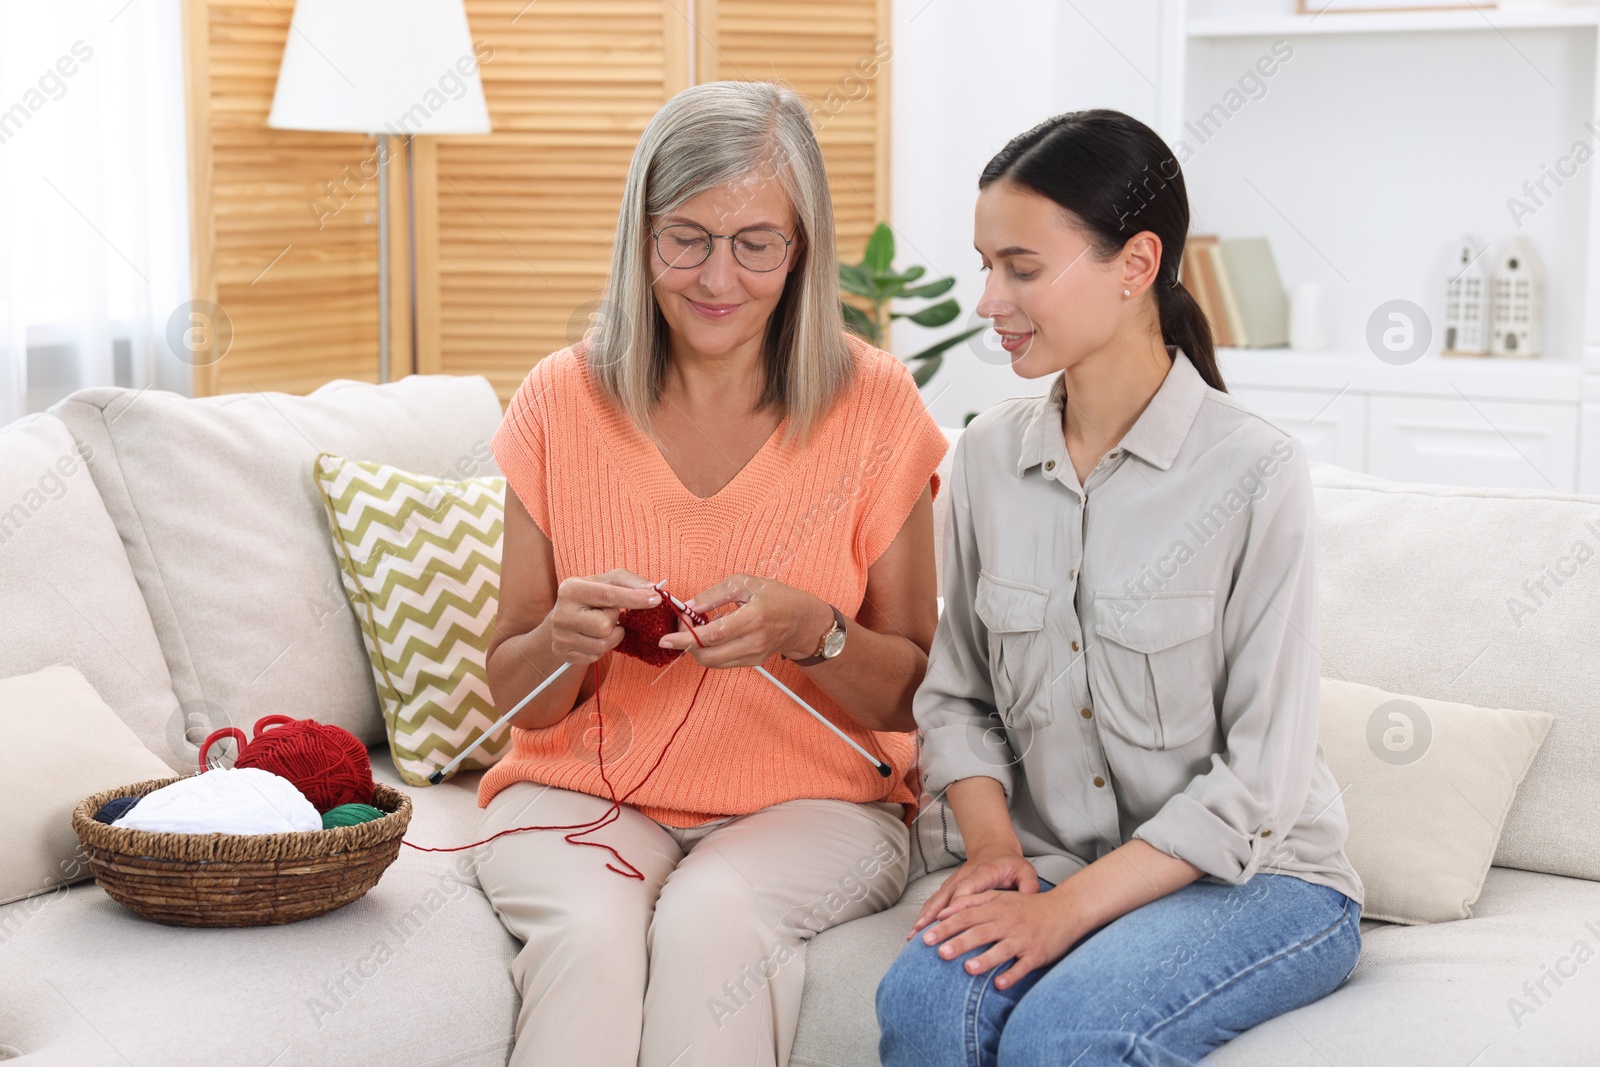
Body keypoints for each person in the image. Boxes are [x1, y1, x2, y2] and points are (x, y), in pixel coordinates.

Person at [874, 108, 1365, 1066]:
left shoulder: (1254, 471)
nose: (988, 299)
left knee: (1069, 1035)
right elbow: (959, 697)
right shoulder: (983, 458)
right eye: (985, 265)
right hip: (1056, 859)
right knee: (927, 1006)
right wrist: (993, 853)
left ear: (1136, 264)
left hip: (1259, 877)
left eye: (1021, 267)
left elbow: (1260, 782)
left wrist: (1061, 919)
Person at [474, 79, 948, 1067]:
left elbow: (913, 691)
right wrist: (566, 643)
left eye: (755, 243)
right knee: (592, 935)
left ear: (803, 248)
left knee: (712, 919)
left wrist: (810, 629)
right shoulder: (562, 398)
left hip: (815, 805)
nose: (717, 277)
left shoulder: (873, 403)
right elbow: (519, 698)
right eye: (685, 237)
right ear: (640, 236)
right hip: (580, 792)